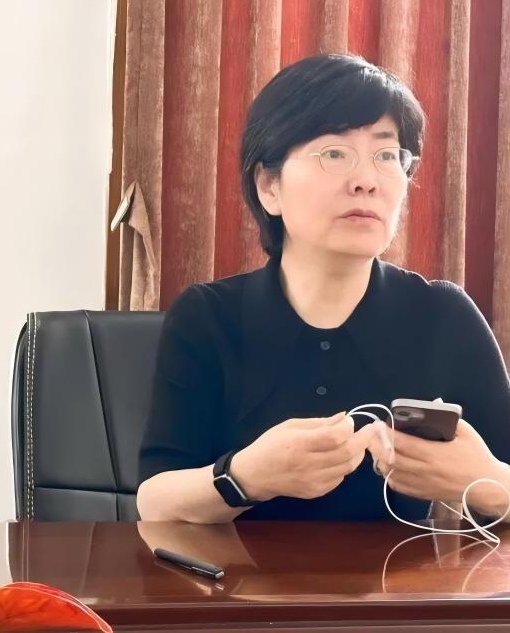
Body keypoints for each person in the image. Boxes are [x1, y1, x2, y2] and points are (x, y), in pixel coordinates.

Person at [137, 53, 510, 523]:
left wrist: (487, 482)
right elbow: (153, 502)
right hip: (232, 574)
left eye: (386, 156)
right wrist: (246, 477)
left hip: (402, 575)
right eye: (335, 153)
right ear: (269, 186)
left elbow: (499, 479)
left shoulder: (444, 316)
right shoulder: (207, 317)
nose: (366, 181)